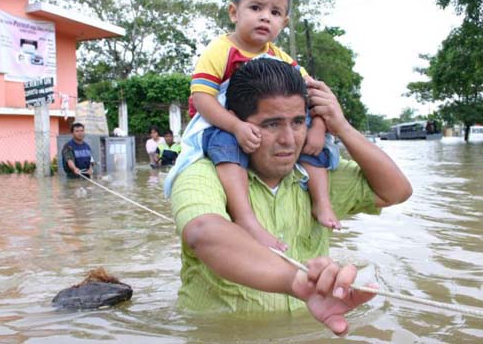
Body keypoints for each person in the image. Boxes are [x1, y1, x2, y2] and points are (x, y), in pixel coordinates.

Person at [170, 58, 412, 335]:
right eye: (271, 125)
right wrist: (296, 282)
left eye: (298, 122)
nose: (289, 139)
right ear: (235, 121)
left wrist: (341, 127)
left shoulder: (318, 178)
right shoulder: (200, 173)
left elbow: (397, 191)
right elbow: (205, 233)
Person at [188, 0, 339, 251]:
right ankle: (246, 219)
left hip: (267, 124)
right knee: (224, 145)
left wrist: (318, 128)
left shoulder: (282, 59)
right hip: (223, 121)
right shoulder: (221, 50)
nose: (265, 17)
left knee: (317, 146)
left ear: (285, 21)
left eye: (275, 12)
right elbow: (202, 99)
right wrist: (235, 126)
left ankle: (322, 202)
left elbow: (314, 93)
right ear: (234, 12)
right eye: (255, 8)